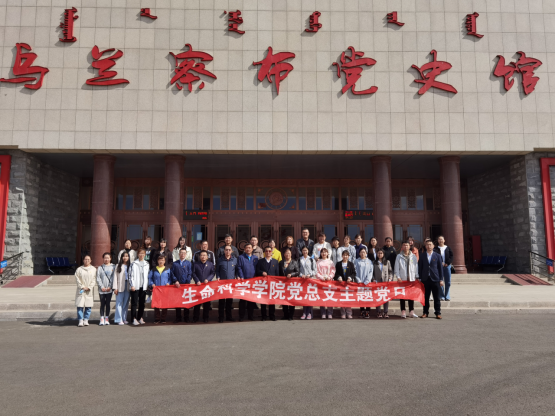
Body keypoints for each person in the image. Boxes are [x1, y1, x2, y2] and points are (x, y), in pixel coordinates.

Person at [418, 240, 445, 320]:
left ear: (433, 246)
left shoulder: (437, 255)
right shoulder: (422, 255)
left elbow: (440, 268)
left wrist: (441, 279)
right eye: (427, 245)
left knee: (436, 297)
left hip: (435, 279)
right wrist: (420, 278)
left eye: (430, 244)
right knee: (425, 297)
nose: (429, 246)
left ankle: (438, 313)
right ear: (425, 246)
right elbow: (420, 267)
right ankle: (425, 312)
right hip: (425, 279)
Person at [394, 241, 420, 319]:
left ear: (409, 246)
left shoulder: (413, 256)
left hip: (411, 279)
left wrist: (416, 276)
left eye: (407, 245)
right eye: (404, 245)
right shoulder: (399, 256)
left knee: (411, 296)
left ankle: (411, 311)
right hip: (402, 279)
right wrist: (398, 277)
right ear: (402, 247)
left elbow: (416, 267)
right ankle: (403, 311)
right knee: (402, 296)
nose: (406, 247)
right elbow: (396, 267)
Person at [255, 247, 279, 321]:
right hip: (263, 284)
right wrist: (262, 272)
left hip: (272, 284)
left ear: (271, 252)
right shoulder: (260, 261)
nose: (268, 252)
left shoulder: (275, 261)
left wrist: (276, 283)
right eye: (266, 251)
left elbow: (277, 273)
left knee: (272, 300)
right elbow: (257, 271)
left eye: (269, 251)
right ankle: (264, 316)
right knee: (263, 300)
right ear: (264, 252)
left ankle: (272, 315)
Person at [170, 248, 193, 323]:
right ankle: (178, 317)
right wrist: (175, 281)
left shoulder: (188, 263)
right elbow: (172, 273)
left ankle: (186, 317)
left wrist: (188, 281)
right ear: (179, 254)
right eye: (181, 253)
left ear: (186, 254)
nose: (183, 254)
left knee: (186, 302)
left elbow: (190, 273)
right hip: (177, 285)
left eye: (184, 253)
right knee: (178, 301)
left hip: (186, 285)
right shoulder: (175, 263)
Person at [191, 251, 215, 323]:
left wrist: (208, 279)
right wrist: (197, 280)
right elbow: (193, 273)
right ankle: (195, 317)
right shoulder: (195, 264)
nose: (203, 257)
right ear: (199, 257)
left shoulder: (210, 264)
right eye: (201, 255)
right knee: (197, 303)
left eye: (204, 255)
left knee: (206, 303)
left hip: (206, 286)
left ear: (207, 257)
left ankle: (205, 317)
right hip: (198, 285)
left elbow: (213, 273)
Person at [237, 243, 259, 322]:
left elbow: (257, 268)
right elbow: (239, 267)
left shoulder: (255, 258)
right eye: (246, 248)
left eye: (249, 248)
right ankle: (241, 316)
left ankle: (250, 316)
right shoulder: (241, 257)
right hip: (244, 281)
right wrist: (241, 276)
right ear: (244, 249)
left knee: (251, 300)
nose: (248, 249)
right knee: (242, 300)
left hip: (252, 281)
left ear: (252, 249)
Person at [216, 245, 238, 323]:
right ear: (224, 251)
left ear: (231, 251)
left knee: (229, 302)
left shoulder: (235, 260)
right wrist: (218, 276)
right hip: (222, 284)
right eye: (226, 250)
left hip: (231, 284)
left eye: (229, 250)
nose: (228, 251)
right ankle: (221, 317)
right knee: (221, 302)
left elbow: (237, 270)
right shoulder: (220, 260)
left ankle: (229, 317)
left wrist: (238, 276)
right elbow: (217, 270)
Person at [148, 255, 172, 324]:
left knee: (164, 304)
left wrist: (169, 283)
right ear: (157, 261)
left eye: (162, 260)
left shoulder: (167, 269)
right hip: (156, 290)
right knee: (156, 304)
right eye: (160, 260)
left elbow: (170, 278)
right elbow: (150, 278)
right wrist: (152, 284)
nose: (161, 261)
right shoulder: (154, 269)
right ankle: (157, 318)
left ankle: (163, 318)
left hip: (165, 289)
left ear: (164, 261)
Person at [129, 249, 150, 326]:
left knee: (142, 303)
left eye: (143, 253)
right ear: (137, 254)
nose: (141, 255)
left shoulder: (147, 264)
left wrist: (147, 285)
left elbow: (148, 275)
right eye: (140, 253)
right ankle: (133, 318)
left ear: (145, 255)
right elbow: (130, 275)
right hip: (135, 286)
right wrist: (132, 285)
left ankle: (140, 317)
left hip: (143, 287)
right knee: (134, 303)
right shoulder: (133, 263)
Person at [75, 255, 96, 327]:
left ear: (91, 260)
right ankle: (80, 320)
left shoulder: (93, 269)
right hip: (81, 289)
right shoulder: (79, 269)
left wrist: (89, 287)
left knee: (88, 305)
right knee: (80, 305)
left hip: (89, 290)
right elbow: (77, 279)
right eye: (85, 259)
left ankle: (86, 319)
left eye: (88, 259)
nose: (87, 261)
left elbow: (94, 279)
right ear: (83, 260)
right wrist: (82, 287)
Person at [279, 248, 300, 321]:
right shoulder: (281, 262)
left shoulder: (294, 262)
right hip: (283, 284)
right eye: (286, 253)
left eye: (289, 253)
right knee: (284, 299)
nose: (287, 254)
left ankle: (291, 315)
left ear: (291, 254)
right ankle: (285, 315)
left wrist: (291, 274)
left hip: (291, 284)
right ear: (284, 254)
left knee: (291, 299)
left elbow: (297, 272)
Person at [335, 250, 356, 319]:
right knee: (342, 299)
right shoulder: (338, 264)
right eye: (344, 255)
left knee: (348, 299)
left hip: (348, 285)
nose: (345, 256)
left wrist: (350, 278)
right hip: (341, 285)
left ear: (348, 256)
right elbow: (336, 273)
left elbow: (354, 273)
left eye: (346, 255)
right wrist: (339, 277)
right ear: (342, 256)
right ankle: (343, 313)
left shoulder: (351, 264)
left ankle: (349, 313)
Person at [373, 249, 393, 319]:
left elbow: (390, 271)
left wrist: (390, 278)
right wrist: (373, 279)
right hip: (377, 282)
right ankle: (378, 312)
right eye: (378, 253)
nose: (380, 254)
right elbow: (372, 272)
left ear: (383, 254)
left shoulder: (387, 262)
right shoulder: (374, 262)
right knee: (378, 297)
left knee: (385, 297)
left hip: (385, 282)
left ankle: (385, 312)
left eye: (381, 253)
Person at [316, 248, 336, 319]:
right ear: (320, 254)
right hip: (321, 282)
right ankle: (323, 313)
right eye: (322, 252)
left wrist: (330, 277)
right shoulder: (318, 262)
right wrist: (321, 277)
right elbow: (316, 272)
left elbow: (333, 271)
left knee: (329, 297)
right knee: (322, 297)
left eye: (325, 252)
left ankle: (330, 313)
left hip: (329, 281)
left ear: (327, 253)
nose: (324, 253)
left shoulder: (330, 262)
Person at [112, 251, 131, 326]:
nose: (125, 257)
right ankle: (118, 319)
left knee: (126, 303)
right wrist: (115, 288)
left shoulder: (130, 265)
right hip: (119, 285)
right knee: (119, 303)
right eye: (124, 256)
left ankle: (124, 318)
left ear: (128, 257)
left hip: (128, 285)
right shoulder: (118, 265)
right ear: (121, 257)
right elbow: (115, 277)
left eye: (127, 256)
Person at [96, 252, 115, 326]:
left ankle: (106, 318)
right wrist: (102, 287)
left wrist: (110, 286)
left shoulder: (113, 267)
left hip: (109, 289)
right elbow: (98, 278)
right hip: (102, 290)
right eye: (105, 258)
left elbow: (113, 277)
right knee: (102, 303)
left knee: (108, 303)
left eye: (108, 258)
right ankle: (101, 318)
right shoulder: (100, 267)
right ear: (103, 259)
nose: (106, 259)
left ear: (110, 258)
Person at [355, 248, 374, 319]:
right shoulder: (356, 261)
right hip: (359, 282)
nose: (363, 253)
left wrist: (367, 280)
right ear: (359, 253)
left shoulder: (369, 261)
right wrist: (358, 280)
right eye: (361, 252)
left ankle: (367, 311)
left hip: (367, 283)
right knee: (361, 297)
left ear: (366, 253)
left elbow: (371, 271)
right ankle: (362, 311)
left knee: (368, 296)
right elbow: (354, 271)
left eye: (364, 252)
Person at [299, 246, 317, 320]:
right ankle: (304, 313)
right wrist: (301, 275)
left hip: (310, 280)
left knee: (309, 296)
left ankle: (309, 313)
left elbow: (315, 270)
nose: (305, 252)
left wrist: (310, 274)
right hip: (302, 280)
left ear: (308, 251)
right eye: (303, 250)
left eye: (306, 250)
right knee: (304, 296)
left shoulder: (312, 259)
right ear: (302, 251)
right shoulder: (300, 259)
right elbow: (298, 269)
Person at [434, 236, 454, 302]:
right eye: (439, 239)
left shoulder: (448, 248)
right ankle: (441, 296)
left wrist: (447, 263)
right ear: (438, 241)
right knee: (440, 281)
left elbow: (451, 256)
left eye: (441, 239)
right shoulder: (435, 249)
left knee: (448, 282)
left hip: (447, 267)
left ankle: (447, 296)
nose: (440, 240)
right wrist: (440, 263)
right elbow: (434, 257)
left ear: (444, 240)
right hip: (439, 267)